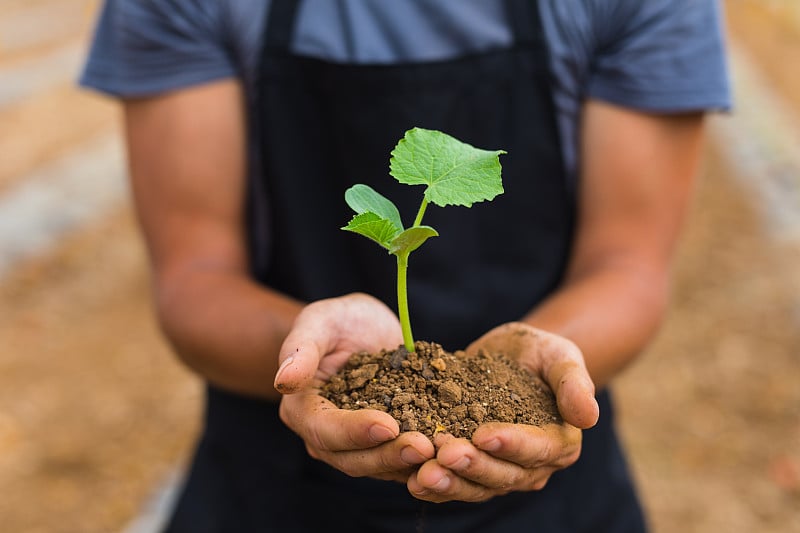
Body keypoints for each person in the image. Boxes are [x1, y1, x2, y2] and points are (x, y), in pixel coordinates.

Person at [80, 0, 730, 531]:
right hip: (273, 475)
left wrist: (534, 378)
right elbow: (193, 275)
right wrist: (312, 356)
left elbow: (629, 264)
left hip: (552, 492)